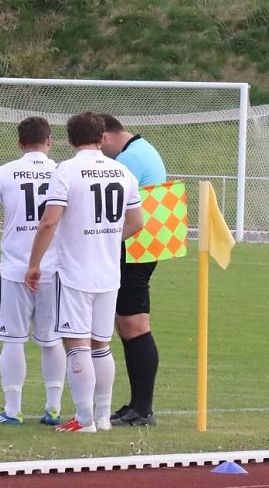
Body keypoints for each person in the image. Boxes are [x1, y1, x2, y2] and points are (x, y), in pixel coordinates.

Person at [24, 111, 144, 433]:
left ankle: (84, 418)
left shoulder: (66, 170)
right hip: (108, 273)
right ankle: (103, 417)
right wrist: (106, 238)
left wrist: (34, 263)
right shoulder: (123, 172)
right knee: (101, 345)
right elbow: (137, 222)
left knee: (76, 345)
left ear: (69, 139)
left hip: (75, 272)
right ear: (103, 137)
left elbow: (50, 220)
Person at [0, 117, 66, 427]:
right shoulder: (62, 171)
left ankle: (13, 410)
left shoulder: (3, 173)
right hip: (54, 268)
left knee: (13, 340)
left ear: (19, 143)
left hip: (17, 267)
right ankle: (53, 409)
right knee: (51, 339)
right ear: (49, 141)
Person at [99, 113, 167, 427]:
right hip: (142, 245)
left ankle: (144, 408)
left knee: (134, 324)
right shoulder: (140, 151)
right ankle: (138, 405)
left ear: (106, 137)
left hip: (137, 247)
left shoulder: (130, 159)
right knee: (127, 326)